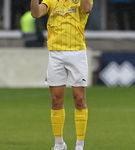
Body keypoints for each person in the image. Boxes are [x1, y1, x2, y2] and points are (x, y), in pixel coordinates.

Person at [31, 0, 93, 150]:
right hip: (56, 53)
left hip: (77, 53)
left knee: (79, 99)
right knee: (55, 100)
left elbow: (87, 8)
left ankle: (79, 145)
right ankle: (59, 143)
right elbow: (36, 13)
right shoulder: (51, 0)